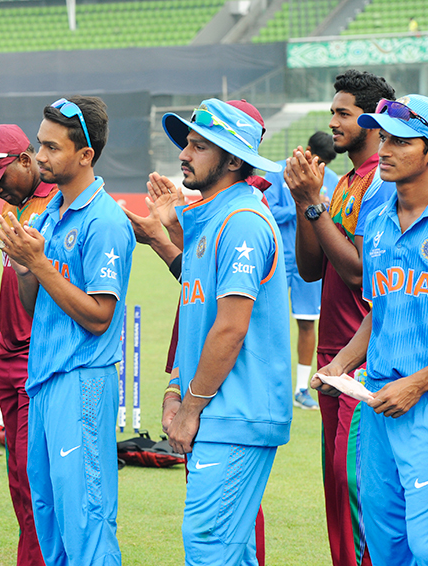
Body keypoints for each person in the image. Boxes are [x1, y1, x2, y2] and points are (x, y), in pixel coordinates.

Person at [0, 96, 133, 566]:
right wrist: (24, 266)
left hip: (83, 383)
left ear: (85, 155)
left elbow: (98, 317)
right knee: (49, 520)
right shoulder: (50, 214)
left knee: (86, 522)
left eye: (52, 148)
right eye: (39, 145)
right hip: (44, 379)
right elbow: (34, 306)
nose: (41, 156)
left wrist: (39, 263)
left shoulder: (105, 220)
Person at [157, 98, 292, 565]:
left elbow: (230, 329)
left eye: (198, 146)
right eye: (187, 144)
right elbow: (195, 320)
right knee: (228, 552)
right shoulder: (211, 219)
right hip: (219, 412)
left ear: (233, 160)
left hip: (236, 414)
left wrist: (190, 408)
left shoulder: (242, 223)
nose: (183, 155)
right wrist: (176, 388)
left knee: (209, 548)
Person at [285, 69, 396, 566]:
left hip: (362, 355)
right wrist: (303, 200)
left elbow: (357, 275)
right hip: (332, 353)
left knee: (354, 482)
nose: (332, 121)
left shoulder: (380, 183)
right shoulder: (345, 181)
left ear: (372, 121)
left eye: (343, 113)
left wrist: (313, 206)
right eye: (332, 111)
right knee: (336, 485)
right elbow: (311, 268)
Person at [316, 93, 428, 565]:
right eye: (383, 137)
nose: (384, 149)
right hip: (380, 402)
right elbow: (378, 311)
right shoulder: (376, 219)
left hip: (423, 404)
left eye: (401, 140)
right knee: (385, 544)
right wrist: (339, 365)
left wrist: (419, 382)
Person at [0, 123, 55, 566]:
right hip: (9, 357)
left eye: (1, 178)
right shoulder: (17, 209)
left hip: (38, 362)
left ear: (26, 160)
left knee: (35, 480)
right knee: (18, 479)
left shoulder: (54, 205)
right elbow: (10, 284)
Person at [263, 131, 339, 410]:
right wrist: (303, 204)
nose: (320, 168)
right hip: (278, 258)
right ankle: (269, 384)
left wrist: (321, 209)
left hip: (310, 262)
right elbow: (267, 209)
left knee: (307, 322)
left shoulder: (331, 181)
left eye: (325, 163)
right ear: (306, 150)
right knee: (269, 320)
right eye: (317, 160)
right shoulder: (276, 171)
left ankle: (300, 389)